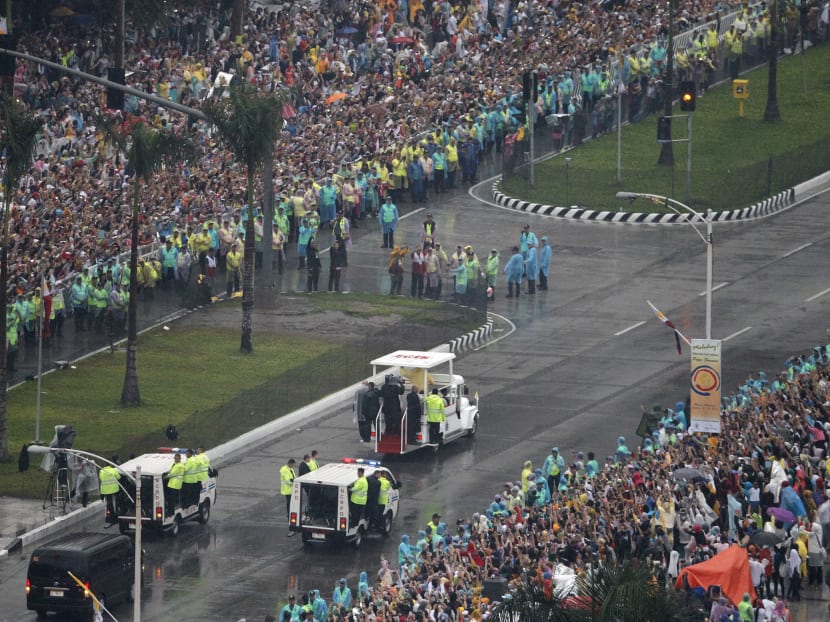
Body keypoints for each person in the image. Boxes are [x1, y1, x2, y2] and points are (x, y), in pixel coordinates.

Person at [99, 458, 122, 522]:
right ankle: (115, 516)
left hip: (105, 490)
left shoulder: (101, 471)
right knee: (115, 503)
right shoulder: (113, 470)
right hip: (114, 490)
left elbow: (101, 478)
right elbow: (119, 477)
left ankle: (109, 516)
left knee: (108, 503)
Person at [280, 458, 296, 523]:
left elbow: (293, 477)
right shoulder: (285, 470)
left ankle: (290, 513)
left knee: (291, 503)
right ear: (290, 463)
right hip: (287, 490)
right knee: (289, 503)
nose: (293, 466)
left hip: (291, 489)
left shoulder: (290, 468)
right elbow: (288, 481)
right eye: (293, 465)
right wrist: (295, 482)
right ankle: (289, 514)